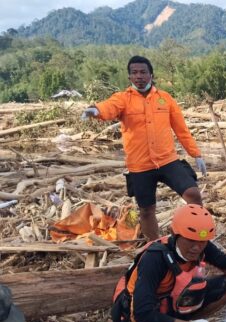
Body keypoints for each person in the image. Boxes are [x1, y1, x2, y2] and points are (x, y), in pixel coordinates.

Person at [81, 55, 207, 241]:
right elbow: (109, 107)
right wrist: (96, 110)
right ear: (129, 76)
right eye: (134, 73)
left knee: (193, 194)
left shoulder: (165, 99)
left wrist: (196, 154)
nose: (139, 76)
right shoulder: (123, 99)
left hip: (167, 160)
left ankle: (197, 236)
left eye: (143, 72)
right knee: (147, 210)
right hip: (140, 165)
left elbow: (181, 129)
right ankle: (154, 245)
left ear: (151, 75)